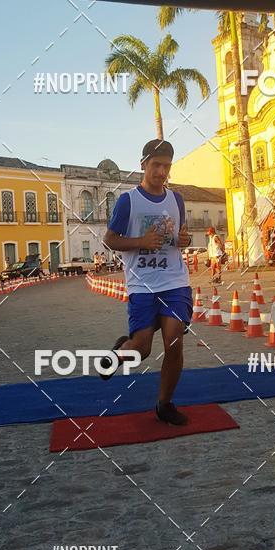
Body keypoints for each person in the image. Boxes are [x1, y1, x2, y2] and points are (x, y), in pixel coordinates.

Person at [103, 139, 193, 425]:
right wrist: (141, 241)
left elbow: (181, 236)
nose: (161, 172)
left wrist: (184, 239)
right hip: (142, 284)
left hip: (174, 280)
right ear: (143, 165)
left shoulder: (176, 200)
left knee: (174, 340)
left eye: (166, 166)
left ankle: (164, 404)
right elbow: (110, 240)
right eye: (156, 165)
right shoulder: (128, 201)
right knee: (142, 350)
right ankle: (121, 351)